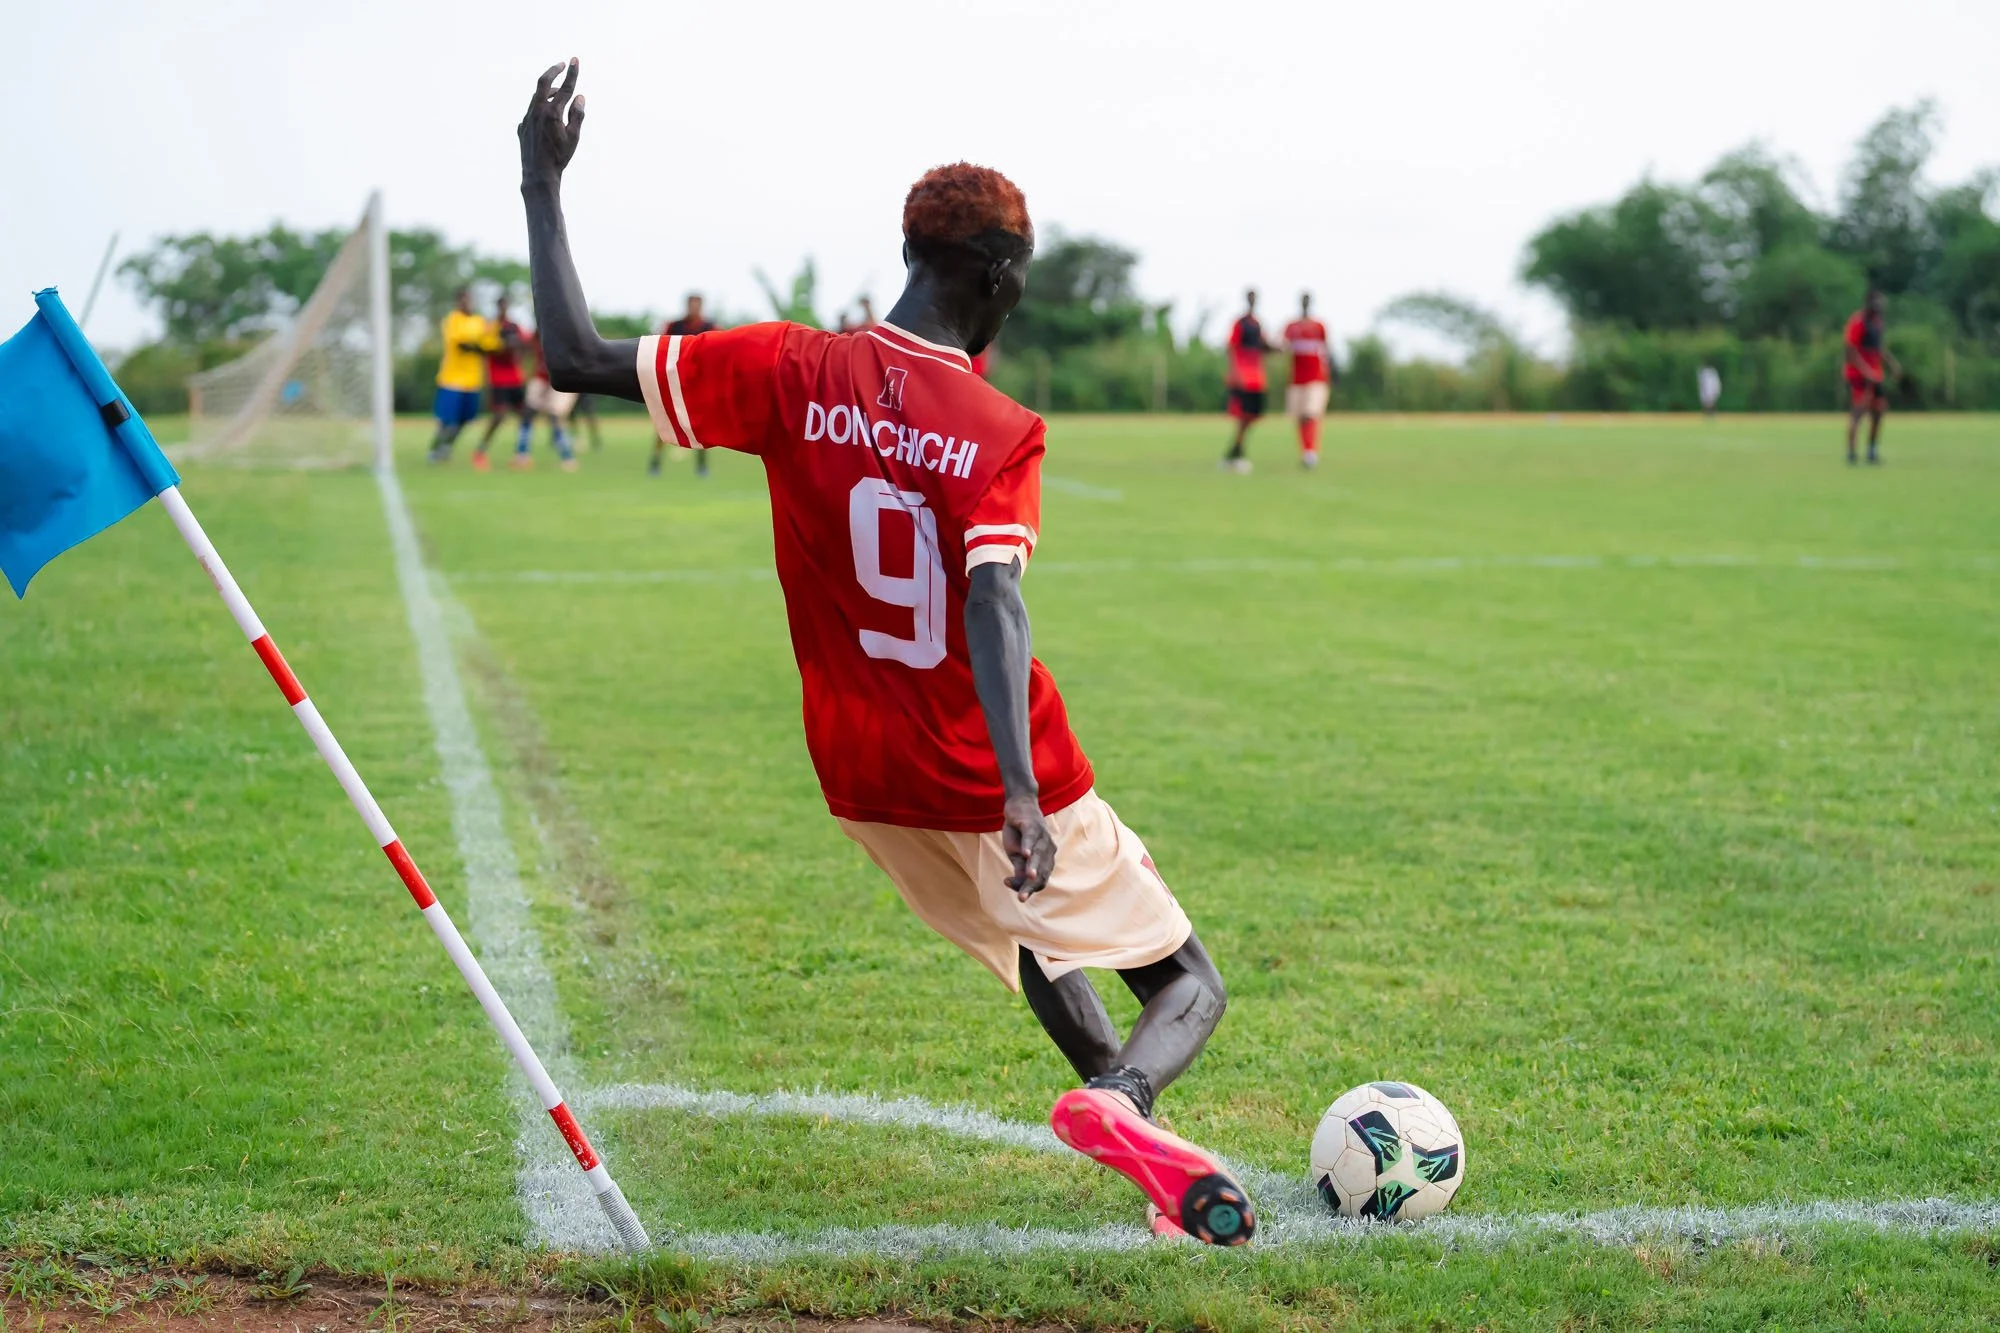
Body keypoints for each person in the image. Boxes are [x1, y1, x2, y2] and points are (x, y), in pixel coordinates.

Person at [518, 58, 1253, 1246]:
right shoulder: (996, 426)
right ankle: (1124, 1098)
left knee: (1021, 938)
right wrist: (1018, 787)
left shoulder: (783, 366)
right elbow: (993, 599)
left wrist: (539, 183)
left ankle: (1149, 1174)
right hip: (979, 761)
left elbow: (572, 356)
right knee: (1187, 982)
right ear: (997, 278)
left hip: (861, 773)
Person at [647, 294, 720, 477]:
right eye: (691, 304)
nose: (693, 308)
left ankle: (702, 466)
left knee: (701, 427)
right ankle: (655, 463)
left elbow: (720, 351)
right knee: (664, 424)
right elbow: (660, 346)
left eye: (697, 305)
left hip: (698, 385)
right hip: (675, 383)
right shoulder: (674, 326)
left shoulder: (710, 327)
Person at [425, 288, 489, 464]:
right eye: (465, 300)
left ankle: (447, 447)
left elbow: (488, 344)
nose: (468, 303)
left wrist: (481, 346)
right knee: (447, 421)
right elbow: (463, 345)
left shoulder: (479, 321)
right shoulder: (453, 320)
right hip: (452, 380)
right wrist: (479, 347)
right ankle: (435, 449)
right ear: (458, 302)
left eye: (470, 300)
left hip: (473, 380)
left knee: (465, 420)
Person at [472, 297, 534, 471]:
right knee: (499, 417)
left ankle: (521, 454)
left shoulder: (514, 327)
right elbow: (485, 349)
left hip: (515, 379)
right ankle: (480, 452)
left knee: (525, 415)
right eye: (501, 306)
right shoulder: (490, 327)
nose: (504, 309)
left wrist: (519, 351)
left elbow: (527, 345)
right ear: (497, 307)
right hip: (498, 380)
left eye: (506, 306)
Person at [1843, 289, 1900, 465]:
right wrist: (1866, 370)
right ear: (1870, 304)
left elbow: (1878, 347)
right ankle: (1852, 454)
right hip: (1858, 374)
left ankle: (1871, 452)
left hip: (1876, 374)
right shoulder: (1857, 322)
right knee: (1859, 411)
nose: (1880, 307)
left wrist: (1892, 363)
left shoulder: (1877, 323)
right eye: (1878, 304)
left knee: (1879, 411)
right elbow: (1850, 351)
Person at [1282, 293, 1337, 469]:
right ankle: (1305, 450)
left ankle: (1311, 451)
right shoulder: (1292, 326)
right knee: (1299, 417)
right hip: (1297, 378)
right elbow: (1282, 345)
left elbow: (1328, 349)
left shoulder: (1319, 326)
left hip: (1316, 377)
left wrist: (1334, 372)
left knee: (1311, 414)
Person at [1220, 290, 1272, 474]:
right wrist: (1235, 373)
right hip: (1243, 376)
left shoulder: (1257, 324)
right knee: (1242, 416)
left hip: (1257, 377)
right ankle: (1237, 453)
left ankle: (1234, 451)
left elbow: (1264, 346)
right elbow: (1231, 347)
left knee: (1250, 417)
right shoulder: (1240, 323)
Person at [521, 325, 581, 471]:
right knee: (528, 413)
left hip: (563, 380)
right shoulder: (540, 332)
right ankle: (522, 454)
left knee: (555, 418)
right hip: (542, 378)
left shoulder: (567, 336)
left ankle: (567, 457)